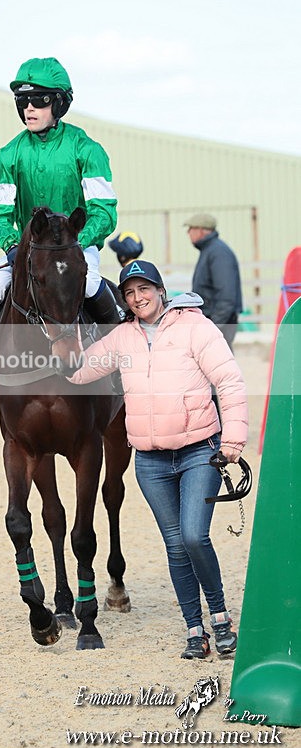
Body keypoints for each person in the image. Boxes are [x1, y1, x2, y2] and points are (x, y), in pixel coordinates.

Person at [68, 259, 249, 659]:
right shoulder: (122, 337)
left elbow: (229, 380)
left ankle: (219, 616)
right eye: (129, 293)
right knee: (175, 546)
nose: (137, 299)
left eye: (143, 289)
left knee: (192, 536)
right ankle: (194, 629)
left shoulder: (195, 327)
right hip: (150, 461)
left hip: (200, 450)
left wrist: (233, 437)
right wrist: (56, 337)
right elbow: (79, 370)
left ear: (161, 290)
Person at [0, 57, 122, 401]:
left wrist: (77, 242)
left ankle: (122, 363)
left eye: (39, 101)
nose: (29, 108)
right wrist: (11, 246)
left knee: (92, 284)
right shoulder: (8, 155)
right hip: (28, 250)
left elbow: (104, 212)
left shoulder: (87, 149)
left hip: (77, 247)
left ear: (59, 103)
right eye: (23, 102)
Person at [184, 213, 243, 351]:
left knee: (220, 361)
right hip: (213, 319)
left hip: (219, 321)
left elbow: (226, 295)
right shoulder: (211, 251)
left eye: (190, 228)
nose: (188, 233)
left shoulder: (218, 253)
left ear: (201, 230)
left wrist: (214, 326)